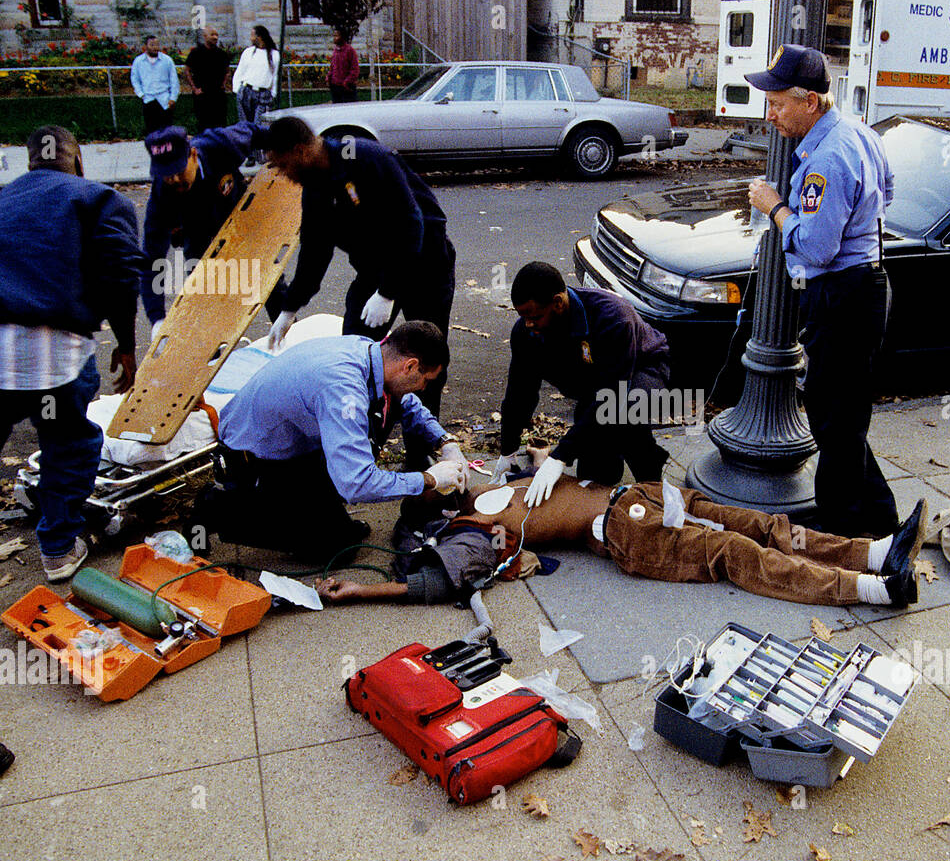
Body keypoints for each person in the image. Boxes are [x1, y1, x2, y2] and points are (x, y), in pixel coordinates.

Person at [316, 447, 927, 608]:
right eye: (438, 487)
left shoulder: (493, 483)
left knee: (761, 523)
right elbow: (444, 582)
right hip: (628, 533)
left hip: (645, 496)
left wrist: (463, 460)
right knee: (737, 553)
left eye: (441, 477)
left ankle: (872, 552)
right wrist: (363, 589)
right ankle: (878, 589)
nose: (446, 480)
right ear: (443, 510)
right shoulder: (476, 526)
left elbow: (517, 456)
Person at [744, 44, 899, 540]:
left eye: (777, 103)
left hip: (841, 295)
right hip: (863, 287)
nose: (770, 115)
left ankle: (840, 532)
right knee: (842, 417)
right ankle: (878, 517)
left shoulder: (827, 157)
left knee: (834, 422)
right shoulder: (857, 132)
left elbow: (815, 248)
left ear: (809, 101)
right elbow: (888, 192)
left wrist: (775, 207)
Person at [199, 322, 471, 564]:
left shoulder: (372, 353)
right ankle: (218, 507)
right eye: (425, 380)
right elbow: (356, 483)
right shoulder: (344, 389)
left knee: (343, 530)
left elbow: (406, 402)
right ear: (410, 365)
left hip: (296, 441)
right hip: (255, 458)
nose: (423, 388)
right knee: (333, 549)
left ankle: (319, 511)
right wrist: (427, 479)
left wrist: (445, 441)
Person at [0, 125, 142, 581]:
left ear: (29, 163)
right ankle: (58, 549)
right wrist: (125, 345)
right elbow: (120, 276)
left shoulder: (5, 198)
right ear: (79, 160)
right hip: (53, 354)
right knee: (69, 445)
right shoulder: (99, 200)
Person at [262, 116, 457, 437]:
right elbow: (314, 251)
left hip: (425, 262)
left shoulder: (368, 159)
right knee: (356, 349)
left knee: (425, 357)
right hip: (376, 267)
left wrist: (388, 292)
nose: (283, 175)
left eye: (281, 166)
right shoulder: (314, 187)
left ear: (299, 151)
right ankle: (362, 436)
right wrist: (289, 308)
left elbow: (412, 224)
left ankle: (423, 445)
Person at [494, 262, 672, 509]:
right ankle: (612, 453)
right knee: (598, 473)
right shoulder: (526, 332)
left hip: (640, 371)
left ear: (557, 303)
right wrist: (508, 449)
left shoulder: (613, 317)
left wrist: (560, 457)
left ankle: (650, 472)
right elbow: (519, 392)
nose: (527, 324)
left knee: (627, 416)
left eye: (534, 317)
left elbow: (613, 396)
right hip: (595, 382)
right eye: (522, 316)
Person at [140, 122, 263, 330]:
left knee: (269, 282)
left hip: (241, 218)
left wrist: (280, 158)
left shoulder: (221, 144)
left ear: (193, 155)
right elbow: (151, 259)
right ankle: (214, 357)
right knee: (205, 304)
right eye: (167, 175)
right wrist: (157, 319)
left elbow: (260, 133)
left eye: (179, 170)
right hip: (199, 237)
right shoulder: (162, 195)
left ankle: (290, 340)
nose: (175, 179)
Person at [130, 35, 180, 136]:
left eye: (157, 45)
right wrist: (141, 94)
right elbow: (135, 79)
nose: (155, 47)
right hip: (148, 99)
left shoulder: (167, 60)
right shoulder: (138, 61)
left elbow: (174, 80)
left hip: (165, 100)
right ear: (146, 46)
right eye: (152, 45)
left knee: (167, 131)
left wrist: (173, 98)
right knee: (152, 131)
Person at [185, 26, 231, 133]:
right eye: (212, 35)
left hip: (218, 95)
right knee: (203, 125)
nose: (215, 37)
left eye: (217, 35)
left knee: (220, 124)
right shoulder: (196, 53)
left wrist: (224, 84)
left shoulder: (221, 54)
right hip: (202, 95)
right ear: (205, 36)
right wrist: (194, 88)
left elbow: (227, 71)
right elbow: (187, 70)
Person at [233, 25, 279, 129]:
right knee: (245, 125)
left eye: (252, 35)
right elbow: (240, 70)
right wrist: (237, 89)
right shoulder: (248, 52)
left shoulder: (274, 55)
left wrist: (273, 93)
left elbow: (275, 75)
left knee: (259, 125)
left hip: (263, 94)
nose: (251, 38)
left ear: (259, 37)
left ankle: (258, 145)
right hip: (246, 91)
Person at [328, 28, 360, 103]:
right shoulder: (335, 51)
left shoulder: (350, 50)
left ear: (342, 37)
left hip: (347, 88)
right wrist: (329, 78)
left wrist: (347, 82)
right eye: (334, 36)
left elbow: (355, 70)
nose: (334, 38)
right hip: (335, 87)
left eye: (337, 36)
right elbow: (333, 67)